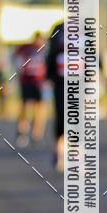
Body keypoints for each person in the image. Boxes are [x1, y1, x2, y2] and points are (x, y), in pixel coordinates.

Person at [14, 31, 47, 147]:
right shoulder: (26, 49)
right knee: (26, 105)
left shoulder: (45, 50)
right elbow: (19, 63)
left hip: (40, 83)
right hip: (27, 81)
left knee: (41, 107)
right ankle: (22, 130)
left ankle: (37, 134)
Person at [46, 22, 65, 171]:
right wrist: (48, 77)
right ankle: (58, 151)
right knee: (61, 116)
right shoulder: (59, 29)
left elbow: (92, 55)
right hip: (60, 82)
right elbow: (51, 53)